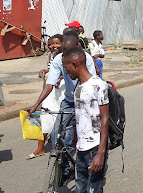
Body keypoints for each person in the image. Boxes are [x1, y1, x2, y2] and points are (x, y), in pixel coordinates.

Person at [26, 34, 99, 179]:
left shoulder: (85, 58)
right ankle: (65, 169)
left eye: (68, 51)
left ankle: (90, 166)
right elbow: (50, 83)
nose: (64, 54)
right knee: (57, 136)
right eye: (63, 51)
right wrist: (36, 105)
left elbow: (91, 82)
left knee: (88, 137)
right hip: (69, 100)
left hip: (86, 101)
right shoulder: (58, 59)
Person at [62, 47, 110, 193]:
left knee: (94, 189)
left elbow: (105, 119)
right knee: (80, 187)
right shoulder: (78, 87)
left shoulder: (98, 85)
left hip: (95, 147)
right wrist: (77, 142)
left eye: (67, 68)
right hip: (82, 148)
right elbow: (81, 118)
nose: (66, 72)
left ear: (75, 64)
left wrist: (100, 153)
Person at [28, 34, 65, 160]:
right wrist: (44, 70)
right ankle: (40, 147)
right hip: (50, 89)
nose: (53, 46)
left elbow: (71, 72)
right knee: (45, 115)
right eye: (50, 44)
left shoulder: (66, 56)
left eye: (56, 43)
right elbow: (52, 70)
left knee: (63, 117)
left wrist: (61, 78)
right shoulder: (51, 56)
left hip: (62, 89)